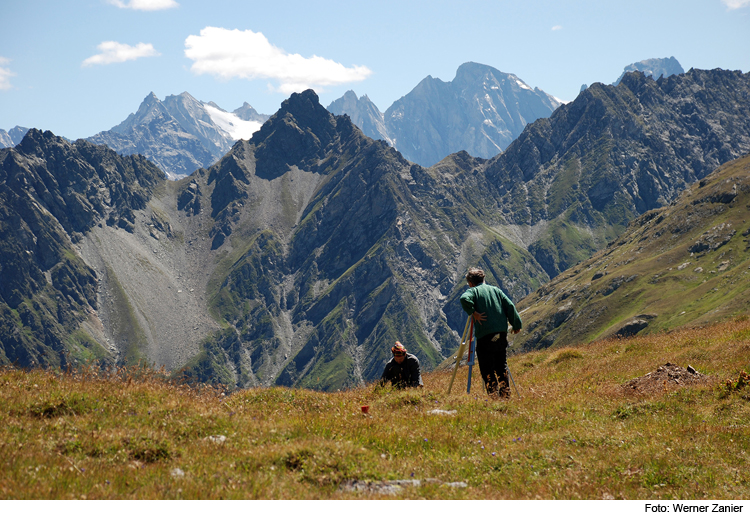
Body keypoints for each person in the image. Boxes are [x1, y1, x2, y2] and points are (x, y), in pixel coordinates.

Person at [460, 267, 522, 398]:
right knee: (501, 365)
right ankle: (505, 395)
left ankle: (494, 397)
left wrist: (473, 312)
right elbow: (510, 306)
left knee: (487, 367)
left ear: (470, 283)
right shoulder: (496, 291)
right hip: (501, 333)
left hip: (485, 334)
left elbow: (464, 299)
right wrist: (516, 324)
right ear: (483, 279)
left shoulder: (473, 291)